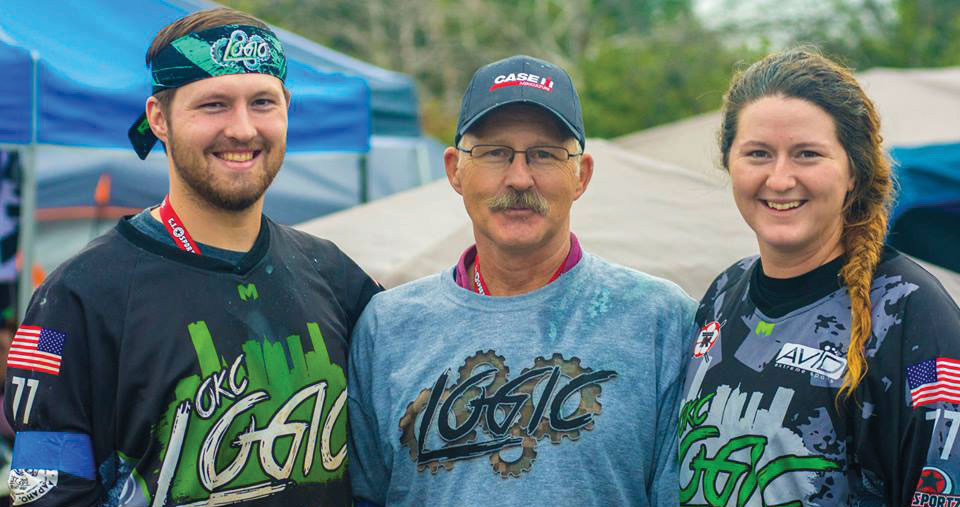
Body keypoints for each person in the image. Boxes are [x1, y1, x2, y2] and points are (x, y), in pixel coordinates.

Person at [3, 8, 380, 506]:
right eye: (214, 105)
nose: (243, 129)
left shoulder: (337, 277)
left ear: (287, 106)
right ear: (159, 119)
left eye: (262, 102)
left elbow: (386, 467)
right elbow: (43, 492)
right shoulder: (73, 298)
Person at [348, 54, 695, 507]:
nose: (518, 177)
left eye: (544, 155)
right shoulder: (388, 326)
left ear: (582, 175)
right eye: (494, 153)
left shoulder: (660, 319)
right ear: (454, 169)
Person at [677, 48, 960, 505]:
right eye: (758, 154)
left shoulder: (911, 314)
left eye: (807, 154)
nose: (780, 178)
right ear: (729, 162)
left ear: (854, 171)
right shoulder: (723, 295)